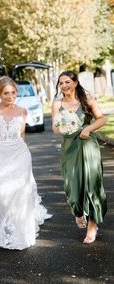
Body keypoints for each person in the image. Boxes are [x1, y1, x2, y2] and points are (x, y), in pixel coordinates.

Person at [0, 60, 52, 250]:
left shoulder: (23, 110)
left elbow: (22, 136)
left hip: (20, 155)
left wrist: (25, 155)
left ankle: (23, 229)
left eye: (13, 92)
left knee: (21, 191)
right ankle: (8, 225)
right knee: (4, 192)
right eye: (6, 93)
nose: (10, 96)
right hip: (0, 155)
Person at [52, 70, 107, 244]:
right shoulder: (57, 103)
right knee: (72, 186)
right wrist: (63, 125)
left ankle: (92, 225)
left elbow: (101, 119)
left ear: (75, 83)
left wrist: (88, 128)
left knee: (92, 184)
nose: (64, 86)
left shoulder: (87, 99)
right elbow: (54, 128)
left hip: (88, 145)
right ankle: (77, 211)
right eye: (61, 83)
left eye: (67, 82)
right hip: (69, 147)